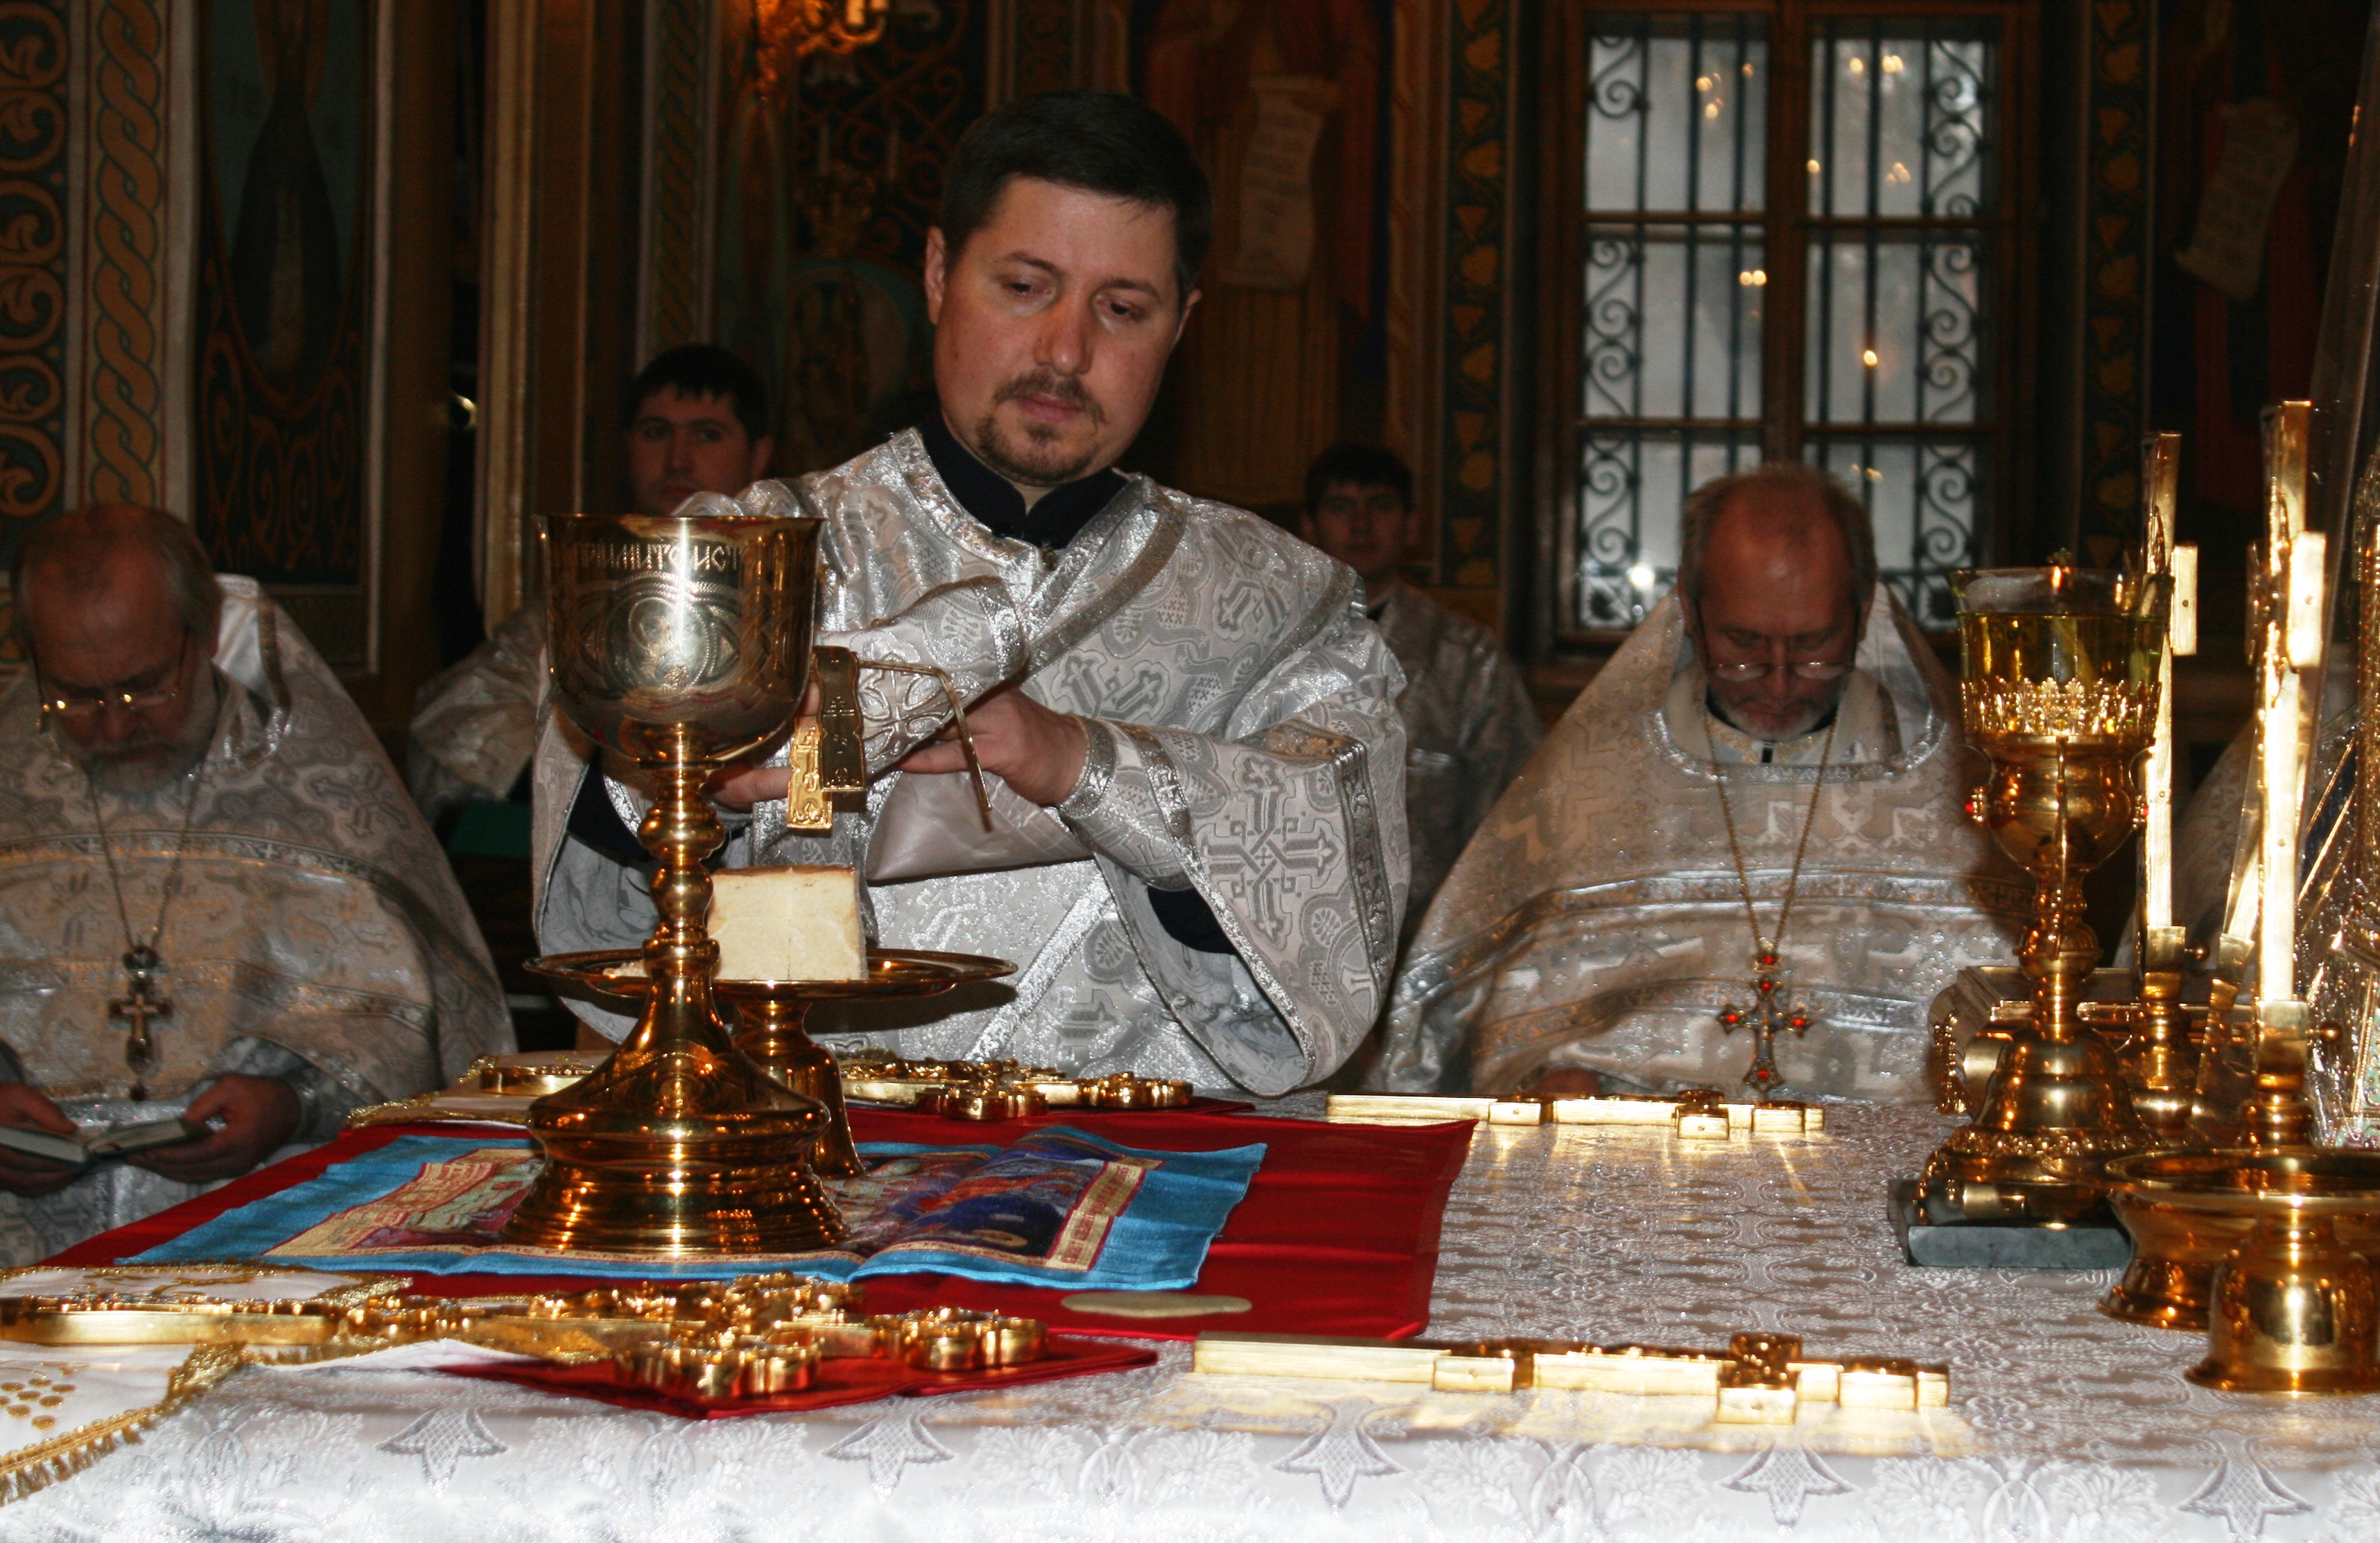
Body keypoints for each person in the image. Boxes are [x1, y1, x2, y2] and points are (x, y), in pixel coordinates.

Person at [535, 90, 1409, 1095]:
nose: (1066, 352)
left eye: (1122, 309)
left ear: (1182, 325)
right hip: (819, 1144)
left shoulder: (1288, 607)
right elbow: (599, 911)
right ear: (940, 274)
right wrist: (713, 774)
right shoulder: (745, 555)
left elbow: (1331, 922)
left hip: (1163, 1154)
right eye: (1026, 287)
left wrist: (1080, 762)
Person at [1371, 464, 2026, 1101]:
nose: (1777, 681)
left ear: (1863, 611)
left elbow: (2009, 1018)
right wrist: (1550, 1077)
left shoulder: (1955, 791)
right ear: (1688, 606)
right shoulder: (1594, 783)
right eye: (1743, 643)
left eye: (1813, 645)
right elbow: (1495, 1020)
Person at [0, 506, 510, 1260]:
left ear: (204, 633)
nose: (113, 727)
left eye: (144, 687)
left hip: (268, 1236)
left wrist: (295, 1103)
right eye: (75, 696)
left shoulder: (323, 799)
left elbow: (418, 1030)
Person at [406, 345, 779, 821]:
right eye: (656, 432)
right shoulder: (586, 594)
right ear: (628, 445)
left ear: (759, 454)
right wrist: (601, 796)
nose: (677, 459)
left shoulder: (796, 585)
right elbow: (461, 716)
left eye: (707, 435)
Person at [1299, 443, 1539, 939]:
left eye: (1381, 505)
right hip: (1295, 921)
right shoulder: (1270, 646)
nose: (1361, 524)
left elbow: (1509, 803)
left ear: (1412, 527)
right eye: (1341, 507)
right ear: (1310, 526)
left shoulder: (1467, 656)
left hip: (1429, 931)